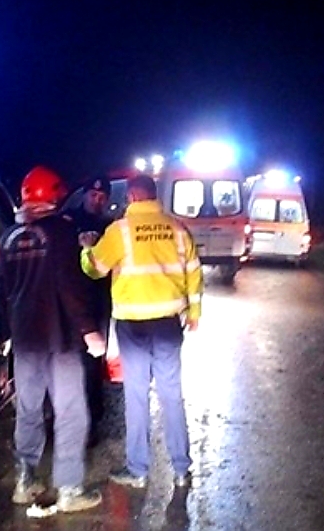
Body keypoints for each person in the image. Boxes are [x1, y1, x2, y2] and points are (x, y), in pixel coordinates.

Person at [0, 165, 105, 513]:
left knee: (28, 410)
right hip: (60, 339)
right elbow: (70, 285)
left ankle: (24, 481)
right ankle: (69, 489)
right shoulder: (62, 232)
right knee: (71, 412)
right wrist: (89, 330)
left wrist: (2, 333)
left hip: (25, 341)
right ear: (54, 196)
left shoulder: (9, 237)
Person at [80, 174, 202, 490]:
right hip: (168, 326)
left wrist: (86, 250)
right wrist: (194, 313)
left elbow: (95, 269)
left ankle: (138, 470)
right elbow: (194, 272)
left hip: (133, 327)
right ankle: (181, 469)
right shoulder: (177, 229)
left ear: (132, 197)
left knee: (136, 396)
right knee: (171, 394)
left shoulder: (119, 231)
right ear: (153, 195)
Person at [62, 175, 113, 446]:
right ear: (84, 195)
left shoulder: (110, 227)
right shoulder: (66, 221)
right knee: (68, 362)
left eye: (102, 197)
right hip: (70, 302)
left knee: (94, 364)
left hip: (98, 302)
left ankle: (92, 421)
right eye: (93, 195)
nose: (97, 200)